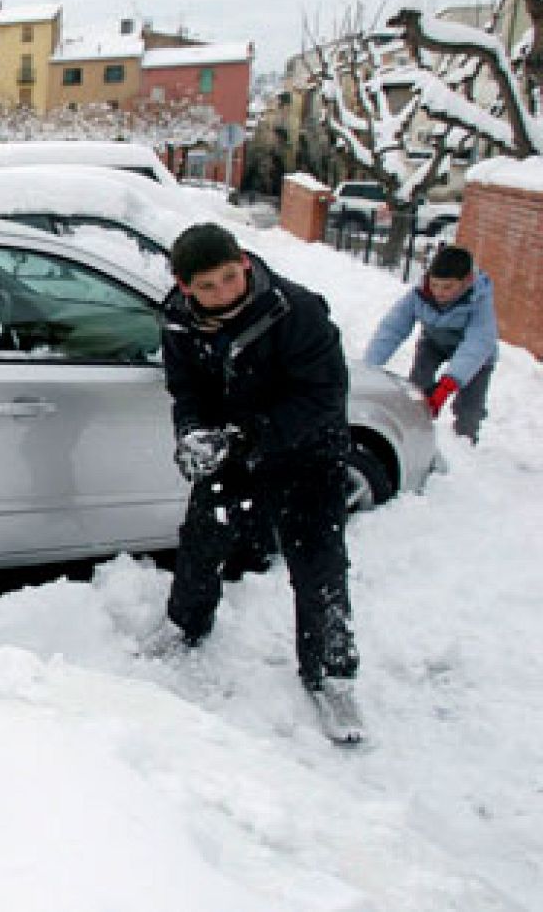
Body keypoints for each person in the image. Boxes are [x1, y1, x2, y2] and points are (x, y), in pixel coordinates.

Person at [148, 223, 364, 744]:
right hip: (233, 450)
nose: (224, 293)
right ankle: (186, 623)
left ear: (244, 262)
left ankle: (332, 675)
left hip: (308, 453)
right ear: (184, 287)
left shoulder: (297, 310)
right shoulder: (178, 324)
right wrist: (195, 433)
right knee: (204, 538)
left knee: (319, 565)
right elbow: (188, 389)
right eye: (208, 286)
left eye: (230, 277)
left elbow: (323, 397)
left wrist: (245, 435)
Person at [364, 245, 497, 443]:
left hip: (476, 356)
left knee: (469, 408)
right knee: (417, 389)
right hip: (433, 344)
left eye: (447, 287)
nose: (438, 293)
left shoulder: (479, 300)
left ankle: (465, 444)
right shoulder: (419, 294)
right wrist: (369, 366)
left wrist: (448, 384)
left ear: (467, 281)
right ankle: (414, 435)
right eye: (434, 285)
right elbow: (392, 328)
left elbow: (478, 343)